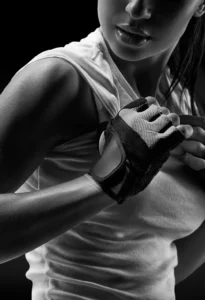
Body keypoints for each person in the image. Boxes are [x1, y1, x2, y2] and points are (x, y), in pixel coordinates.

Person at [0, 0, 205, 299]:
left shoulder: (180, 100)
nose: (136, 9)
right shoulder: (61, 77)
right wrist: (105, 182)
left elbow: (156, 272)